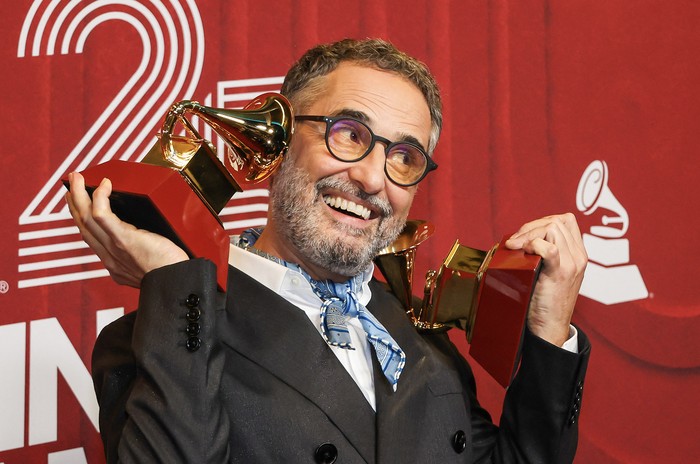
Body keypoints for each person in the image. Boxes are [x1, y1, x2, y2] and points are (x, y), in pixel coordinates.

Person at [66, 38, 590, 463]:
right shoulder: (156, 338)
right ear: (279, 141)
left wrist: (549, 329)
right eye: (347, 133)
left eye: (405, 157)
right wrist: (172, 280)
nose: (370, 178)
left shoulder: (416, 335)